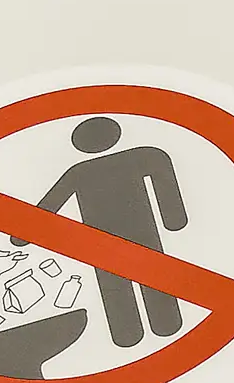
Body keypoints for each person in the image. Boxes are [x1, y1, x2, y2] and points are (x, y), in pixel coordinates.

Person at [35, 117, 191, 349]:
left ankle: (130, 334)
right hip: (139, 234)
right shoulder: (140, 156)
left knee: (117, 289)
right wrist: (173, 219)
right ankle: (164, 325)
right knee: (149, 279)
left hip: (104, 244)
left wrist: (23, 236)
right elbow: (162, 171)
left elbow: (48, 207)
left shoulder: (79, 172)